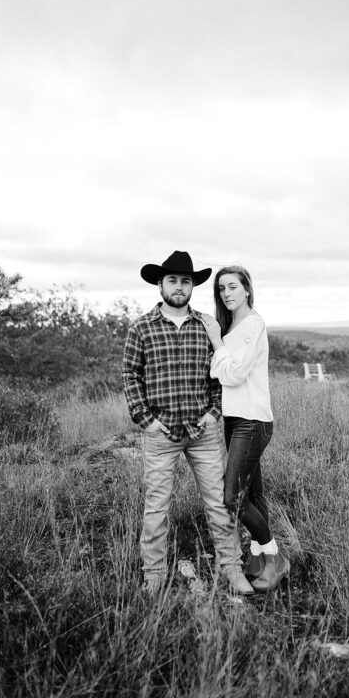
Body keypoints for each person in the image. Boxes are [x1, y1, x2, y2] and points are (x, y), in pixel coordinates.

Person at [122, 251, 253, 596]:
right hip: (161, 432)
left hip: (202, 432)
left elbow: (219, 374)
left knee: (219, 503)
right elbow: (130, 375)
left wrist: (214, 412)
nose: (179, 287)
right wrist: (145, 420)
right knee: (156, 507)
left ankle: (232, 568)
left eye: (185, 281)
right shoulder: (141, 327)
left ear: (192, 285)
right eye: (173, 280)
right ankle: (153, 575)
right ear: (160, 284)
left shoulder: (206, 325)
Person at [198, 266, 289, 593]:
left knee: (232, 498)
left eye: (233, 286)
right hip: (235, 419)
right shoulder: (231, 325)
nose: (226, 293)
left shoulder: (252, 324)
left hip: (252, 420)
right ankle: (257, 557)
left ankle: (275, 557)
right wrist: (221, 356)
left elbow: (233, 375)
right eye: (221, 288)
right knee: (253, 494)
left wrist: (215, 343)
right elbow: (216, 372)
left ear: (247, 289)